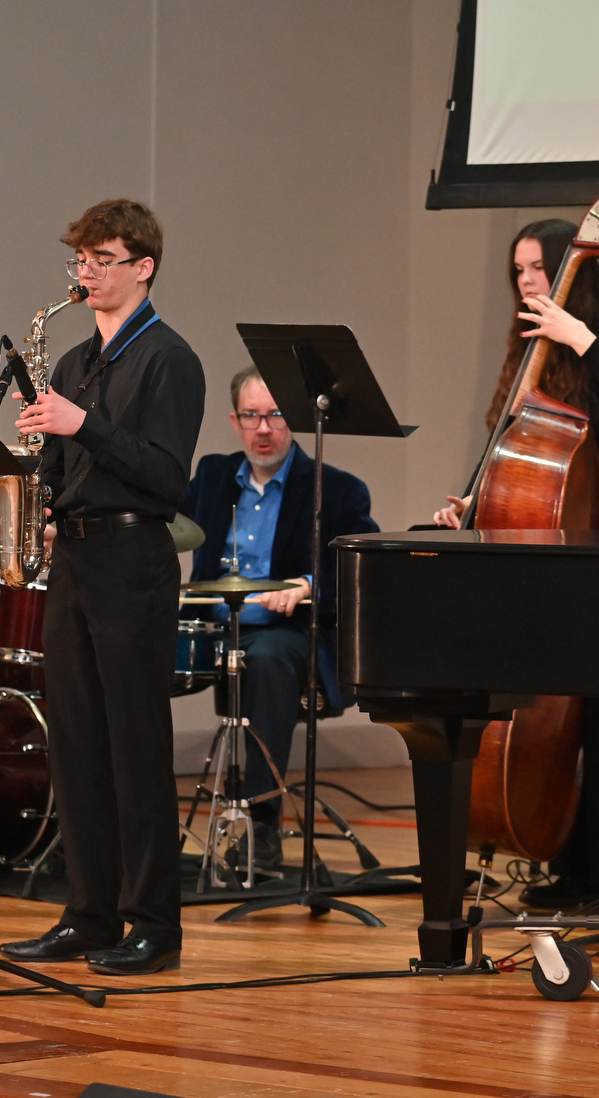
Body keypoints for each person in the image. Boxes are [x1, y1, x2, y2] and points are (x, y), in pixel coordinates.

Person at [0, 199, 204, 976]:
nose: (86, 273)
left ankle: (153, 922)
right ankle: (88, 913)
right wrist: (42, 494)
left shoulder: (170, 359)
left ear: (143, 267)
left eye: (102, 259)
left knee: (136, 747)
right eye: (79, 260)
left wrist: (81, 425)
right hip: (76, 560)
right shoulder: (76, 362)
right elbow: (63, 462)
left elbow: (164, 475)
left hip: (133, 560)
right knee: (77, 746)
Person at [435, 218, 599, 908]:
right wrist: (474, 501)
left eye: (537, 269)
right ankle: (571, 867)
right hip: (559, 564)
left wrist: (579, 337)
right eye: (519, 272)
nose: (527, 283)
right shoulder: (528, 353)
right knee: (564, 723)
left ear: (572, 273)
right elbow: (511, 441)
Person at [178, 365, 378, 873]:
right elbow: (167, 525)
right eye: (252, 416)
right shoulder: (214, 475)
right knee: (124, 652)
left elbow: (365, 572)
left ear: (295, 421)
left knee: (263, 660)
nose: (263, 429)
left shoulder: (335, 489)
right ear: (234, 420)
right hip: (214, 628)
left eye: (276, 415)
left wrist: (310, 586)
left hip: (291, 635)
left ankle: (260, 826)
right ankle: (130, 821)